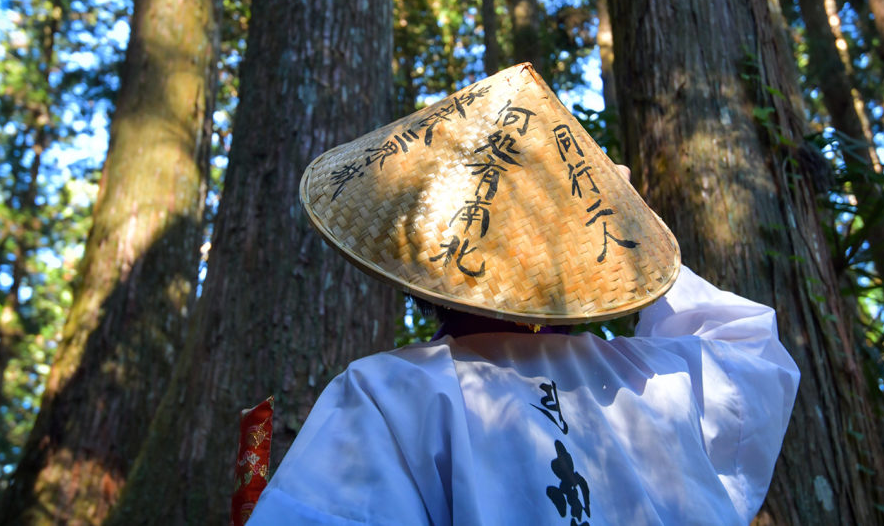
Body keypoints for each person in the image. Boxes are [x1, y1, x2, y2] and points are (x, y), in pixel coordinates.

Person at [248, 64, 800, 525]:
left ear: (420, 270)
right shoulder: (659, 380)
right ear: (579, 255)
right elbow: (751, 355)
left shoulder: (389, 394)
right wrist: (629, 229)